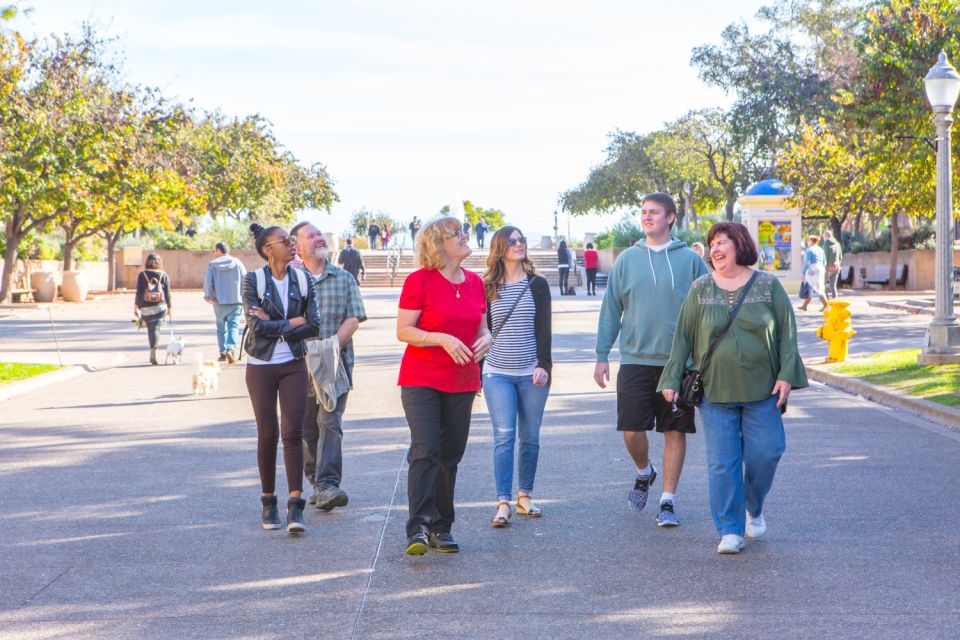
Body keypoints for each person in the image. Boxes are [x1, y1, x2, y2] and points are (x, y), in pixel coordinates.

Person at [659, 221, 808, 554]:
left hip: (762, 392)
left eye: (722, 242)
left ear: (739, 245)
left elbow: (787, 334)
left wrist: (786, 374)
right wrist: (670, 378)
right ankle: (730, 529)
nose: (714, 248)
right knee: (722, 462)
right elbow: (682, 337)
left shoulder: (768, 286)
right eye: (711, 243)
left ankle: (753, 506)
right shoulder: (700, 289)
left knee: (766, 453)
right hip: (715, 391)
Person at [594, 192, 709, 527]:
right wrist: (602, 355)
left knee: (674, 431)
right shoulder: (627, 259)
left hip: (678, 363)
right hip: (634, 358)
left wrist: (701, 356)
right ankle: (644, 472)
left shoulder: (689, 260)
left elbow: (708, 307)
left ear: (671, 217)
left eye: (654, 212)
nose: (646, 217)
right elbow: (611, 309)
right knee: (631, 430)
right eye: (643, 212)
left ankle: (668, 501)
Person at [396, 216, 492, 555]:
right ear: (439, 243)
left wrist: (487, 338)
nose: (466, 237)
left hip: (462, 379)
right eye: (458, 233)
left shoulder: (476, 284)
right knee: (426, 450)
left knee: (450, 455)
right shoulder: (418, 281)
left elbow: (481, 327)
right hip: (421, 379)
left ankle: (442, 527)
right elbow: (404, 330)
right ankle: (418, 528)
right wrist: (440, 338)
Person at [243, 223, 321, 534]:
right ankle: (268, 501)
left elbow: (314, 325)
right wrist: (292, 321)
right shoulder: (253, 280)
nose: (292, 244)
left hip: (293, 363)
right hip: (260, 364)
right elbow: (256, 328)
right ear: (267, 249)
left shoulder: (303, 279)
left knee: (293, 432)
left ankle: (295, 505)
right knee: (267, 433)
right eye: (284, 241)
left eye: (292, 240)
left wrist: (277, 322)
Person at [291, 222, 367, 512]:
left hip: (336, 365)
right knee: (307, 427)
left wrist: (331, 346)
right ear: (298, 247)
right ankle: (316, 482)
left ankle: (328, 485)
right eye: (311, 236)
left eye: (319, 234)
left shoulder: (344, 277)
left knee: (330, 423)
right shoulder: (291, 280)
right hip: (299, 366)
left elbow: (354, 317)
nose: (318, 238)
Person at [482, 227, 552, 528]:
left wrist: (544, 363)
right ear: (499, 247)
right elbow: (481, 331)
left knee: (530, 437)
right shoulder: (487, 286)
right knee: (504, 436)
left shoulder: (537, 284)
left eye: (521, 239)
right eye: (512, 241)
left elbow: (544, 328)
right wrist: (477, 370)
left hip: (531, 372)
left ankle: (524, 496)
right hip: (497, 372)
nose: (519, 244)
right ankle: (502, 502)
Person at [203, 242, 247, 363]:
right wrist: (245, 296)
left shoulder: (212, 264)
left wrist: (208, 296)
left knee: (221, 327)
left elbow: (208, 282)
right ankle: (231, 348)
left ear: (218, 250)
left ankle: (222, 352)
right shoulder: (237, 263)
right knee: (233, 326)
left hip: (218, 301)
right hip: (236, 301)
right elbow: (245, 279)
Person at [134, 253, 172, 366]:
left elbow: (139, 292)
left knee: (151, 328)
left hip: (146, 307)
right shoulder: (164, 275)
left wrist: (136, 306)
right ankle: (153, 352)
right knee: (156, 329)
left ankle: (152, 350)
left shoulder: (142, 275)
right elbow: (168, 293)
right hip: (160, 307)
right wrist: (170, 307)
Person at [799, 235, 828, 312]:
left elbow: (807, 262)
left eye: (808, 240)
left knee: (817, 288)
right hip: (820, 269)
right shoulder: (821, 250)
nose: (807, 242)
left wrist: (803, 272)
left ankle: (826, 305)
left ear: (811, 241)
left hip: (812, 269)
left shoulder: (809, 250)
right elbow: (825, 262)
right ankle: (805, 305)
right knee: (812, 286)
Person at [822, 230, 843, 300]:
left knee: (823, 286)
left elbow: (825, 256)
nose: (823, 238)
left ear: (826, 236)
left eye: (823, 236)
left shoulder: (826, 243)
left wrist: (823, 267)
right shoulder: (837, 244)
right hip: (836, 268)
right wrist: (838, 265)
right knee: (833, 287)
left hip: (828, 268)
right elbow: (840, 257)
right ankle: (835, 303)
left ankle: (826, 304)